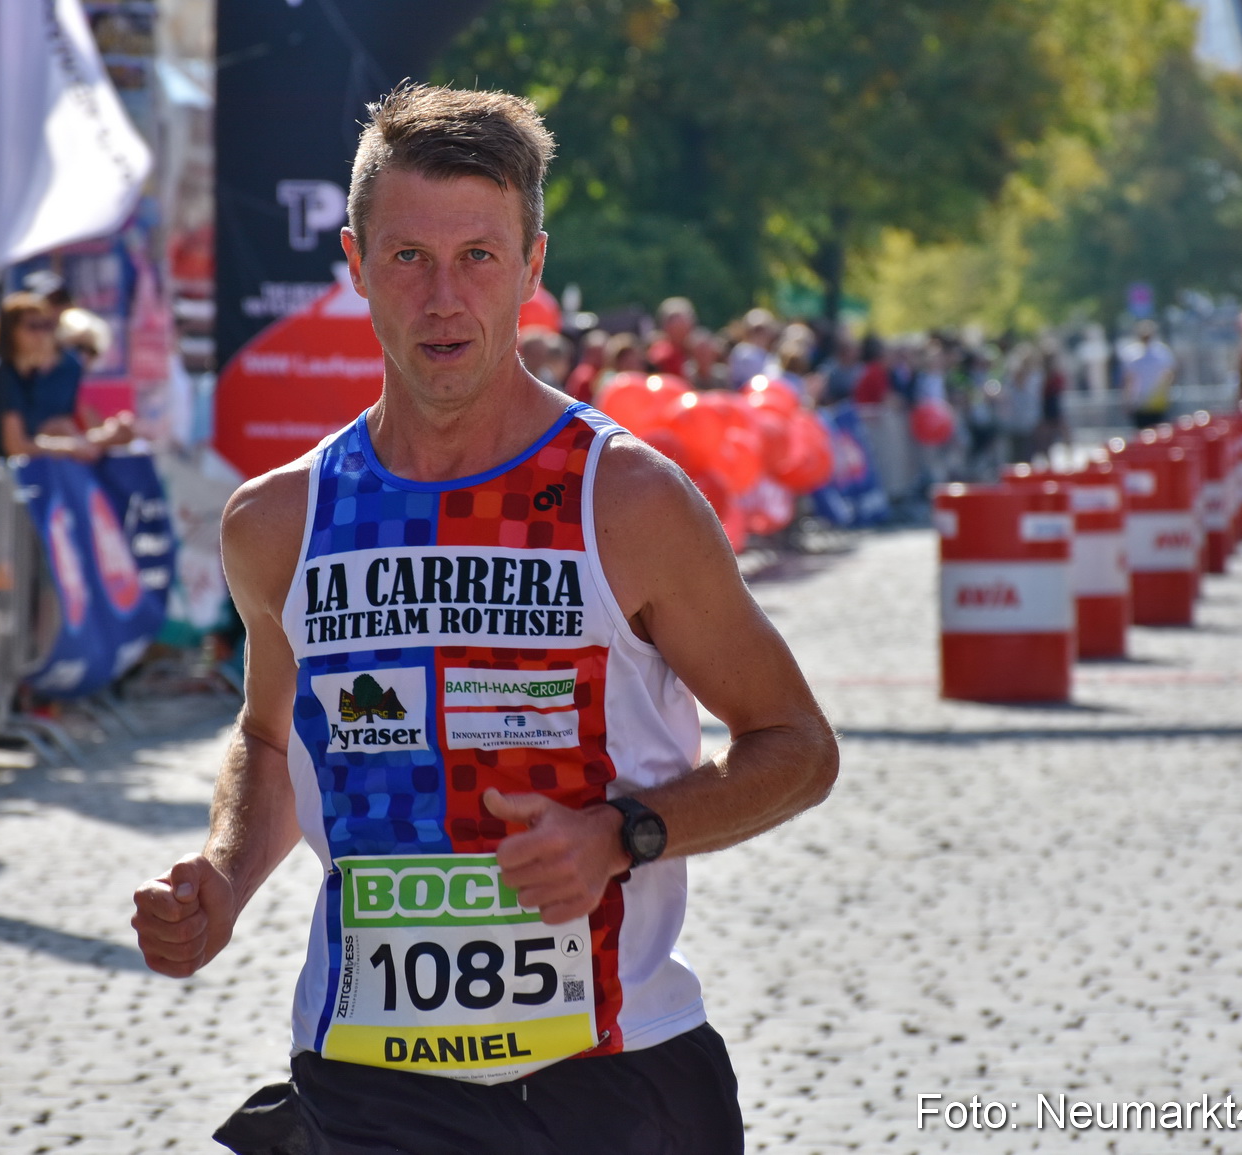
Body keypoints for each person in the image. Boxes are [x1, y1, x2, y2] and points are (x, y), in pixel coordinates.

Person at [131, 82, 838, 1155]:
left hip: (613, 1076)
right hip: (370, 1078)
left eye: (478, 257)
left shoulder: (625, 499)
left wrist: (624, 834)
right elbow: (272, 740)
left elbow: (797, 746)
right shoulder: (280, 521)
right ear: (356, 265)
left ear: (532, 268)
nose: (443, 299)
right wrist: (224, 879)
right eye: (409, 258)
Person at [0, 292, 131, 460]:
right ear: (10, 332)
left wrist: (101, 437)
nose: (41, 334)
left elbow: (44, 431)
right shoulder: (0, 375)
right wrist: (70, 447)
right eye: (32, 326)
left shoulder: (31, 376)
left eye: (46, 326)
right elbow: (15, 446)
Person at [1119, 320, 1175, 428]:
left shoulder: (1162, 352)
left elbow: (1169, 375)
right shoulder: (1131, 353)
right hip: (1139, 402)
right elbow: (1129, 378)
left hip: (1157, 400)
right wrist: (1127, 400)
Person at [644, 297, 695, 377]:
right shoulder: (661, 354)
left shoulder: (695, 351)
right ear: (666, 327)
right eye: (677, 328)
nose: (680, 332)